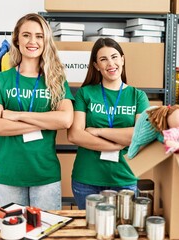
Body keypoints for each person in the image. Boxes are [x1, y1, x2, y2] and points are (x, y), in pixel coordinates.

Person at [0, 13, 74, 210]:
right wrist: (46, 120)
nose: (33, 41)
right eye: (26, 35)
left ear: (46, 41)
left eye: (39, 36)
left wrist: (16, 115)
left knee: (45, 232)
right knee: (14, 233)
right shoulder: (1, 79)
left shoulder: (56, 81)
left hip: (45, 174)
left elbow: (66, 120)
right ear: (17, 39)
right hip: (8, 174)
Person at [67, 37, 150, 209]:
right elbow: (75, 134)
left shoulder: (138, 96)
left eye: (114, 57)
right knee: (89, 232)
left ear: (122, 59)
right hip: (87, 179)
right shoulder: (85, 93)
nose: (110, 63)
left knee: (122, 231)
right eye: (103, 59)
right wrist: (116, 144)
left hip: (124, 177)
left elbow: (139, 136)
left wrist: (98, 131)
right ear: (96, 65)